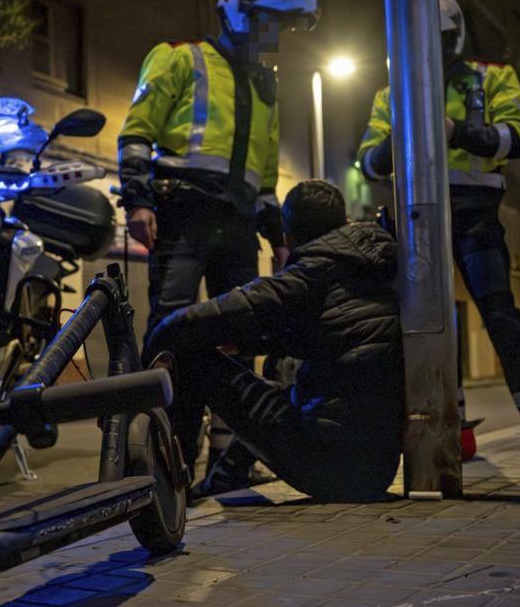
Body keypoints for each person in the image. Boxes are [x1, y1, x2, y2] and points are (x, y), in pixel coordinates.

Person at [118, 0, 322, 480]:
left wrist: (277, 238)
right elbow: (137, 133)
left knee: (240, 334)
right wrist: (138, 201)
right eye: (270, 24)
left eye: (281, 28)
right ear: (239, 12)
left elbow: (265, 176)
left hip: (237, 223)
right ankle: (162, 453)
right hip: (182, 211)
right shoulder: (179, 58)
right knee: (171, 330)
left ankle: (229, 459)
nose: (274, 37)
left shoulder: (265, 85)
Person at [357, 0, 520, 442]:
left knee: (498, 312)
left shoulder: (491, 78)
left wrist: (456, 131)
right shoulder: (392, 94)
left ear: (454, 36)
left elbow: (517, 137)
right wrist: (399, 135)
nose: (430, 49)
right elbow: (368, 163)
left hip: (475, 212)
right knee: (431, 321)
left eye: (439, 38)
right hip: (416, 218)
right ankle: (450, 425)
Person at [145, 179, 403, 502]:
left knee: (190, 355)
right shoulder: (376, 267)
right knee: (276, 388)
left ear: (288, 235)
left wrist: (149, 357)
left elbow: (192, 322)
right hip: (375, 469)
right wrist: (249, 344)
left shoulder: (307, 274)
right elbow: (328, 334)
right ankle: (223, 481)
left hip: (330, 464)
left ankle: (171, 488)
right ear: (344, 222)